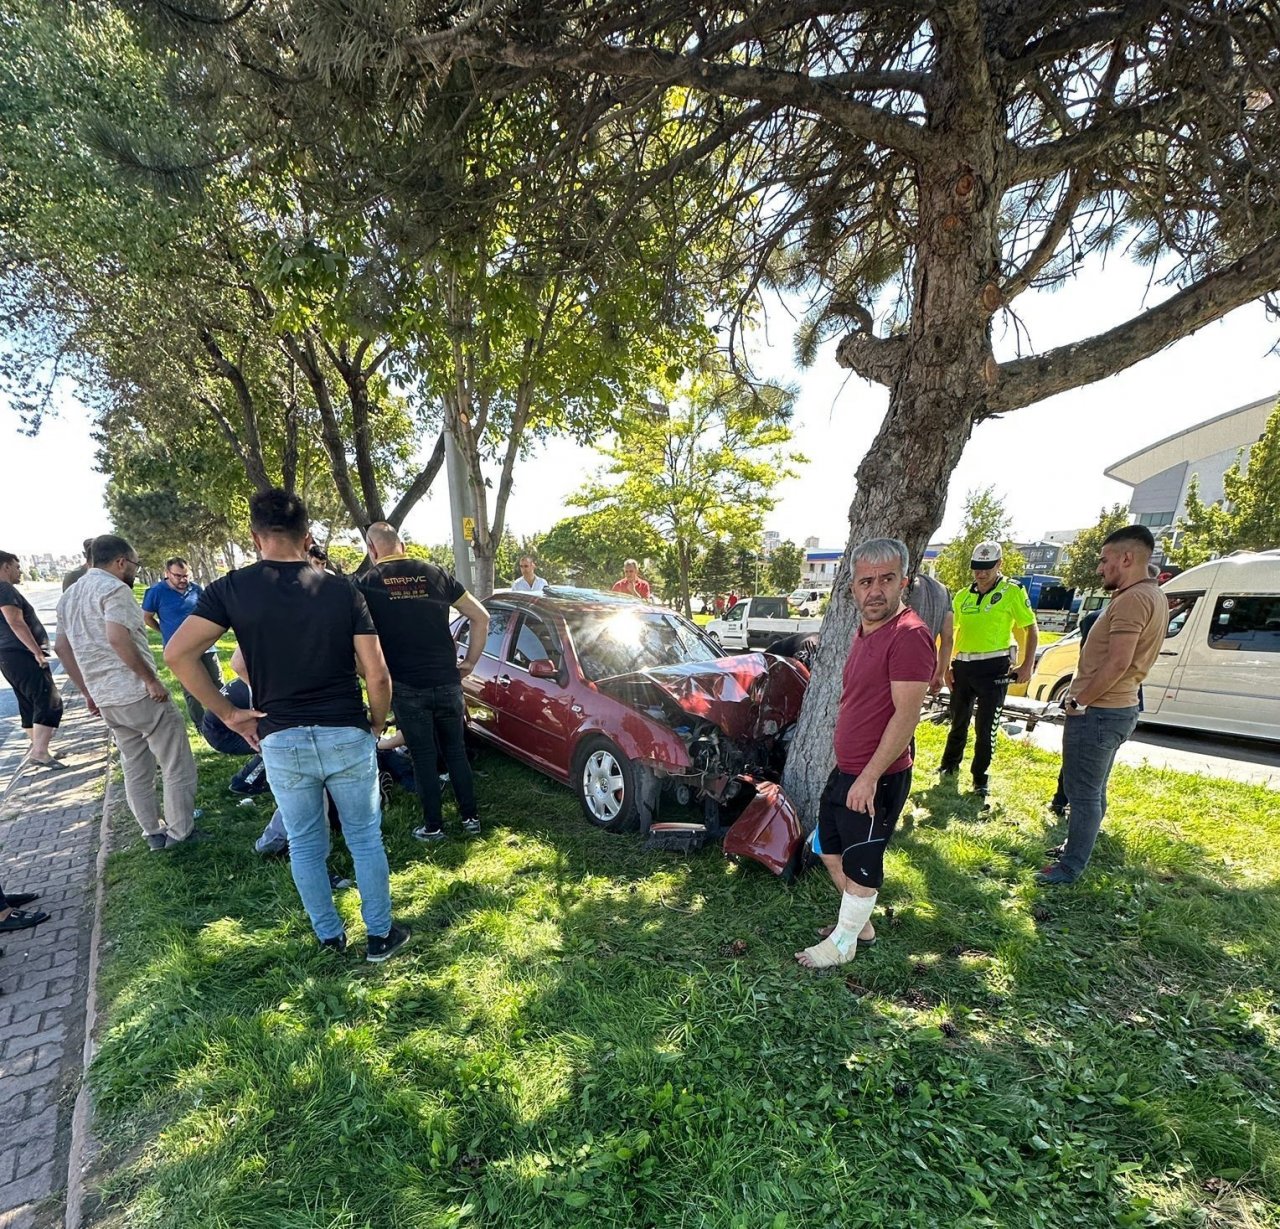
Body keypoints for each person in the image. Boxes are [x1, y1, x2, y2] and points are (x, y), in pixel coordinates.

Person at [796, 538, 935, 970]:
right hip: (848, 770)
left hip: (878, 777)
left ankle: (843, 944)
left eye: (886, 580)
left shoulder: (909, 636)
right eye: (866, 581)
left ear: (904, 583)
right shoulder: (865, 631)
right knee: (826, 848)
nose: (875, 590)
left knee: (861, 862)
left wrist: (870, 777)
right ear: (853, 588)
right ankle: (860, 927)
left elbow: (906, 715)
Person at [1037, 527, 1167, 886]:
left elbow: (1118, 662)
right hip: (1117, 708)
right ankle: (1073, 849)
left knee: (1083, 795)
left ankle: (1069, 868)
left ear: (1127, 558)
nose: (1100, 568)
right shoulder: (1149, 594)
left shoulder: (1132, 600)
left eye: (1105, 560)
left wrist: (1080, 700)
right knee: (1093, 790)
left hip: (1100, 712)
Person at [55, 535, 198, 849]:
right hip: (137, 693)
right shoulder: (115, 589)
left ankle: (153, 832)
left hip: (107, 699)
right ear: (121, 562)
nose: (135, 570)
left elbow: (61, 648)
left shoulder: (70, 595)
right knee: (176, 762)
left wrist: (88, 692)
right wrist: (150, 680)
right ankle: (181, 831)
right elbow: (118, 637)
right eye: (135, 564)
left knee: (135, 767)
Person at [358, 521, 490, 843]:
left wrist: (369, 674)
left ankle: (434, 827)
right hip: (447, 680)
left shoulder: (365, 584)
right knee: (455, 750)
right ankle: (471, 818)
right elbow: (481, 616)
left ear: (372, 550)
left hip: (405, 685)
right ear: (401, 545)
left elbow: (355, 641)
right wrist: (470, 661)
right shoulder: (435, 573)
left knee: (423, 756)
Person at [937, 541, 1038, 801]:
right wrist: (946, 666)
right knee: (957, 720)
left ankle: (980, 778)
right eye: (977, 568)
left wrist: (1027, 664)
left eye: (987, 568)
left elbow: (1030, 627)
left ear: (999, 565)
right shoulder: (962, 595)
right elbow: (951, 632)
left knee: (986, 728)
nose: (981, 574)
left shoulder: (1012, 591)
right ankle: (949, 765)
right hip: (963, 666)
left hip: (994, 667)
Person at [0, 551, 65, 768]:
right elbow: (16, 622)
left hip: (9, 656)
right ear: (6, 566)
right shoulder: (4, 588)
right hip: (20, 653)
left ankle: (39, 747)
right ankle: (39, 752)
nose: (20, 571)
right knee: (50, 700)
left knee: (28, 702)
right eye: (17, 566)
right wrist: (36, 651)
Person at [142, 556, 223, 727]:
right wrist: (163, 631)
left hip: (205, 646)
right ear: (167, 574)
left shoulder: (196, 589)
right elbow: (147, 617)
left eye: (186, 576)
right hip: (181, 652)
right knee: (191, 689)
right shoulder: (156, 592)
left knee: (217, 682)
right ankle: (202, 725)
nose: (183, 580)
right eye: (178, 576)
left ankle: (223, 720)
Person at [907, 571, 954, 693]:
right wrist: (940, 674)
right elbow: (947, 639)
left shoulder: (904, 585)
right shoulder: (943, 592)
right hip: (925, 666)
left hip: (898, 663)